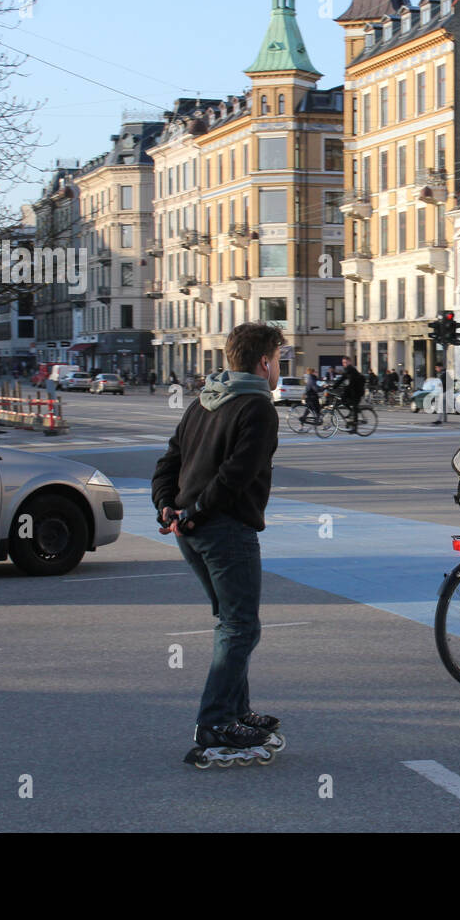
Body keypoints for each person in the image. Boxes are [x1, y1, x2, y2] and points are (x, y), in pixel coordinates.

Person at [151, 322, 285, 762]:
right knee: (241, 626)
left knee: (232, 622)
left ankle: (236, 710)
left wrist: (168, 507)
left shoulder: (204, 401)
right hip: (225, 530)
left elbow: (169, 461)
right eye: (279, 359)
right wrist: (195, 511)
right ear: (264, 362)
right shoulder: (258, 408)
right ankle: (215, 723)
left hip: (192, 533)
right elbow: (235, 475)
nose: (280, 368)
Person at [330, 355, 365, 430]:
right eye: (343, 362)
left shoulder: (351, 369)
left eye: (345, 362)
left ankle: (354, 427)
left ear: (349, 362)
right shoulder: (347, 370)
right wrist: (334, 386)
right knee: (343, 399)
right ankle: (351, 412)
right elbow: (342, 379)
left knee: (354, 405)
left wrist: (338, 387)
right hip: (353, 390)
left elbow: (349, 381)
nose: (344, 364)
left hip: (358, 391)